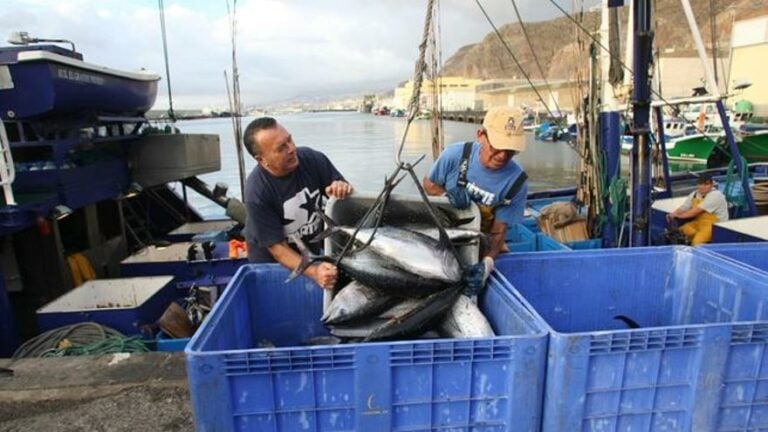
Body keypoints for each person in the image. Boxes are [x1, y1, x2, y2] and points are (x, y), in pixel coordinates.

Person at [242, 117, 353, 289]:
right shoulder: (257, 192)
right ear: (261, 159)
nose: (291, 149)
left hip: (310, 250)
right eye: (281, 148)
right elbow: (278, 249)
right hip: (273, 264)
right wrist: (314, 272)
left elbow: (342, 192)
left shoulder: (311, 159)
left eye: (290, 140)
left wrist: (340, 188)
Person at [423, 105, 528, 260]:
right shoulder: (454, 155)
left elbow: (498, 231)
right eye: (497, 147)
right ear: (480, 136)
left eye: (510, 150)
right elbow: (428, 184)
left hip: (481, 240)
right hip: (442, 232)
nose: (502, 156)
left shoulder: (516, 181)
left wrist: (487, 262)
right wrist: (445, 195)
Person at [666, 174, 729, 245]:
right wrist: (673, 214)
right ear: (697, 185)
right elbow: (684, 207)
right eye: (700, 184)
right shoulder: (694, 194)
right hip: (699, 222)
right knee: (682, 231)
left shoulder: (716, 195)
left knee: (697, 241)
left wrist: (678, 216)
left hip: (715, 226)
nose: (703, 187)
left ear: (711, 185)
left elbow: (696, 211)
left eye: (706, 184)